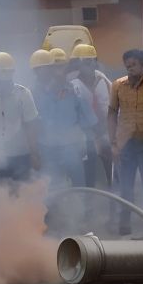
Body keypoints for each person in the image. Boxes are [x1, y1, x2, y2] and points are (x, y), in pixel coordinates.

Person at [110, 49, 143, 235]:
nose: (130, 69)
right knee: (126, 185)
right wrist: (113, 142)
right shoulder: (118, 86)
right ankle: (125, 222)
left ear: (142, 65)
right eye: (127, 65)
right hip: (126, 143)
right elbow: (111, 113)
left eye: (134, 65)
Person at [31, 49, 93, 190]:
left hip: (71, 147)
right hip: (47, 150)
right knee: (50, 189)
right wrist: (34, 151)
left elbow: (86, 120)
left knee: (79, 187)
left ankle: (82, 210)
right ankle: (54, 212)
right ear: (48, 69)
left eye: (62, 66)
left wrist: (85, 144)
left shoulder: (74, 91)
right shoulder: (33, 93)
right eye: (55, 67)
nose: (59, 71)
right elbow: (30, 125)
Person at [0, 52, 40, 181]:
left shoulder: (24, 94)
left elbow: (31, 125)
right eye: (1, 78)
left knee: (22, 195)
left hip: (20, 155)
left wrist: (35, 154)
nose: (4, 83)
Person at [70, 44, 112, 195]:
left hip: (106, 132)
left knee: (110, 172)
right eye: (86, 61)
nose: (91, 64)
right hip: (85, 136)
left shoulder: (103, 79)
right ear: (77, 64)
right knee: (89, 172)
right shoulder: (72, 84)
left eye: (93, 60)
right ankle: (89, 203)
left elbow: (113, 104)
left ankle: (113, 198)